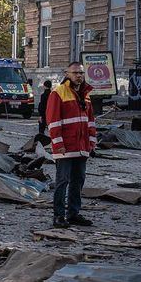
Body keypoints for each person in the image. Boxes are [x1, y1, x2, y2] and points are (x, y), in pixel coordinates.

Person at [46, 62, 97, 229]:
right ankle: (59, 216)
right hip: (65, 147)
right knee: (63, 181)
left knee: (78, 181)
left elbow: (90, 121)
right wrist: (58, 143)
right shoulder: (58, 93)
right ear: (67, 74)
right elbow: (53, 121)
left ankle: (73, 213)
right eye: (75, 73)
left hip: (81, 147)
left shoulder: (86, 94)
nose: (79, 76)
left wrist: (92, 142)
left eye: (81, 73)